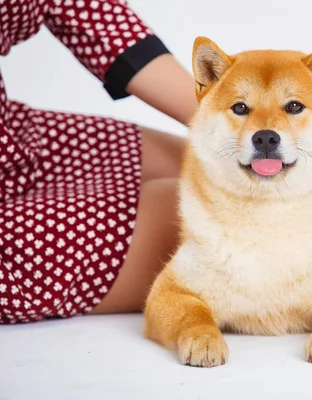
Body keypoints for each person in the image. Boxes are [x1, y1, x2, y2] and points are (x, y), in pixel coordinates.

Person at [0, 0, 196, 323]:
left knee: (215, 168)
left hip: (15, 141)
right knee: (238, 213)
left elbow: (82, 7)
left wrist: (221, 117)